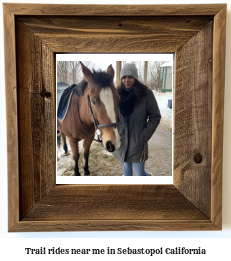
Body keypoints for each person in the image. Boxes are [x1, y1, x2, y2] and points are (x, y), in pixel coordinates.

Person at [113, 63, 161, 176]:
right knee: (126, 167)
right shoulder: (117, 94)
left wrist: (144, 135)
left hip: (137, 141)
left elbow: (155, 116)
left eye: (130, 77)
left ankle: (147, 177)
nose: (127, 80)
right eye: (124, 77)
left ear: (135, 78)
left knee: (139, 174)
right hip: (122, 140)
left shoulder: (146, 94)